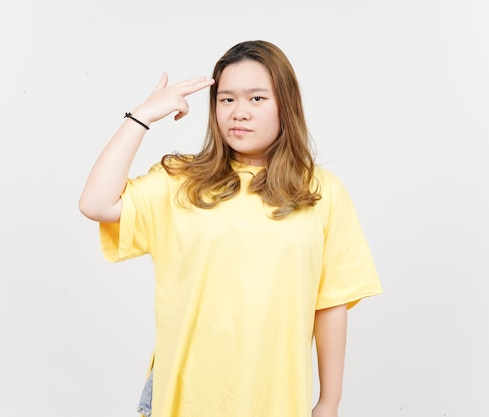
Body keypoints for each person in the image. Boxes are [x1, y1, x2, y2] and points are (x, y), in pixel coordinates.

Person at [79, 40, 382, 417]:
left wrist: (329, 401)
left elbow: (332, 301)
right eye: (226, 100)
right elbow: (95, 203)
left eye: (256, 99)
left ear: (285, 105)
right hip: (184, 396)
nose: (239, 113)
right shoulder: (181, 180)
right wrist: (142, 116)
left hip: (276, 399)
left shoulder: (319, 191)